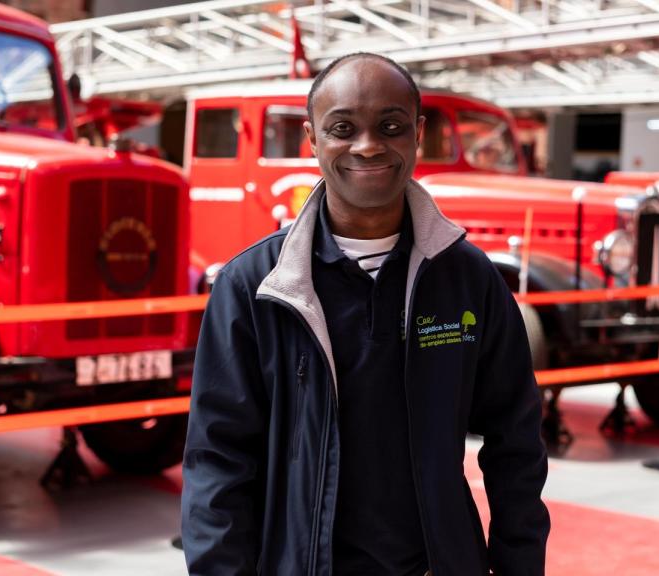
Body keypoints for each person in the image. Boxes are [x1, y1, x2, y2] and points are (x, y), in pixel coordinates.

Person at [182, 53, 549, 575]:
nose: (368, 145)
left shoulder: (469, 281)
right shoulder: (254, 288)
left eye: (391, 126)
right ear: (312, 138)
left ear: (418, 134)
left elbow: (516, 445)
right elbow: (217, 462)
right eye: (342, 128)